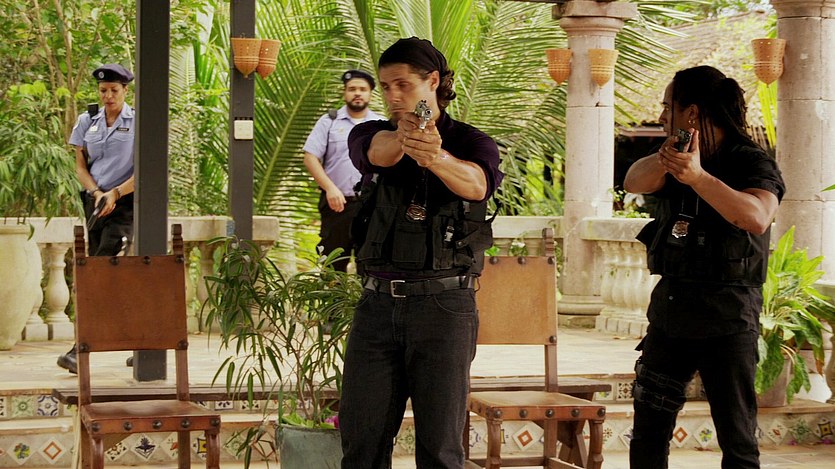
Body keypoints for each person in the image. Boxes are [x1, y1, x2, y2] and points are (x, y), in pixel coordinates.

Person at [339, 37, 503, 468]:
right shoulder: (371, 132)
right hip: (376, 305)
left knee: (441, 449)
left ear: (432, 81)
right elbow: (375, 155)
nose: (392, 95)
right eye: (385, 86)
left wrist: (436, 157)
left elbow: (478, 185)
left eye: (402, 84)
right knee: (361, 444)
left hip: (444, 306)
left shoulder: (471, 141)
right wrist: (406, 138)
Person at [624, 65, 786, 469]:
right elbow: (633, 181)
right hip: (672, 310)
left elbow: (756, 216)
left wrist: (697, 177)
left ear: (692, 113)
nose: (661, 115)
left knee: (737, 439)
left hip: (728, 315)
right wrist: (671, 160)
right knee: (648, 433)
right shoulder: (673, 157)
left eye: (669, 107)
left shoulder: (751, 160)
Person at [57, 63, 136, 374]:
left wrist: (114, 194)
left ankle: (80, 350)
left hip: (125, 205)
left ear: (125, 90)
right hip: (95, 202)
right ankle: (141, 342)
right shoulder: (87, 120)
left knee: (103, 273)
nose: (108, 96)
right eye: (103, 91)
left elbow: (146, 170)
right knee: (106, 275)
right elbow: (80, 167)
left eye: (114, 90)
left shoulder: (137, 121)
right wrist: (97, 193)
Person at [303, 69, 384, 272]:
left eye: (363, 89)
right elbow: (310, 157)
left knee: (370, 266)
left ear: (370, 94)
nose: (357, 93)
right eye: (352, 89)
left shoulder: (380, 125)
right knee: (333, 266)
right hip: (337, 205)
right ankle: (333, 295)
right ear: (344, 92)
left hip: (371, 206)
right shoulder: (329, 122)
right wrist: (330, 188)